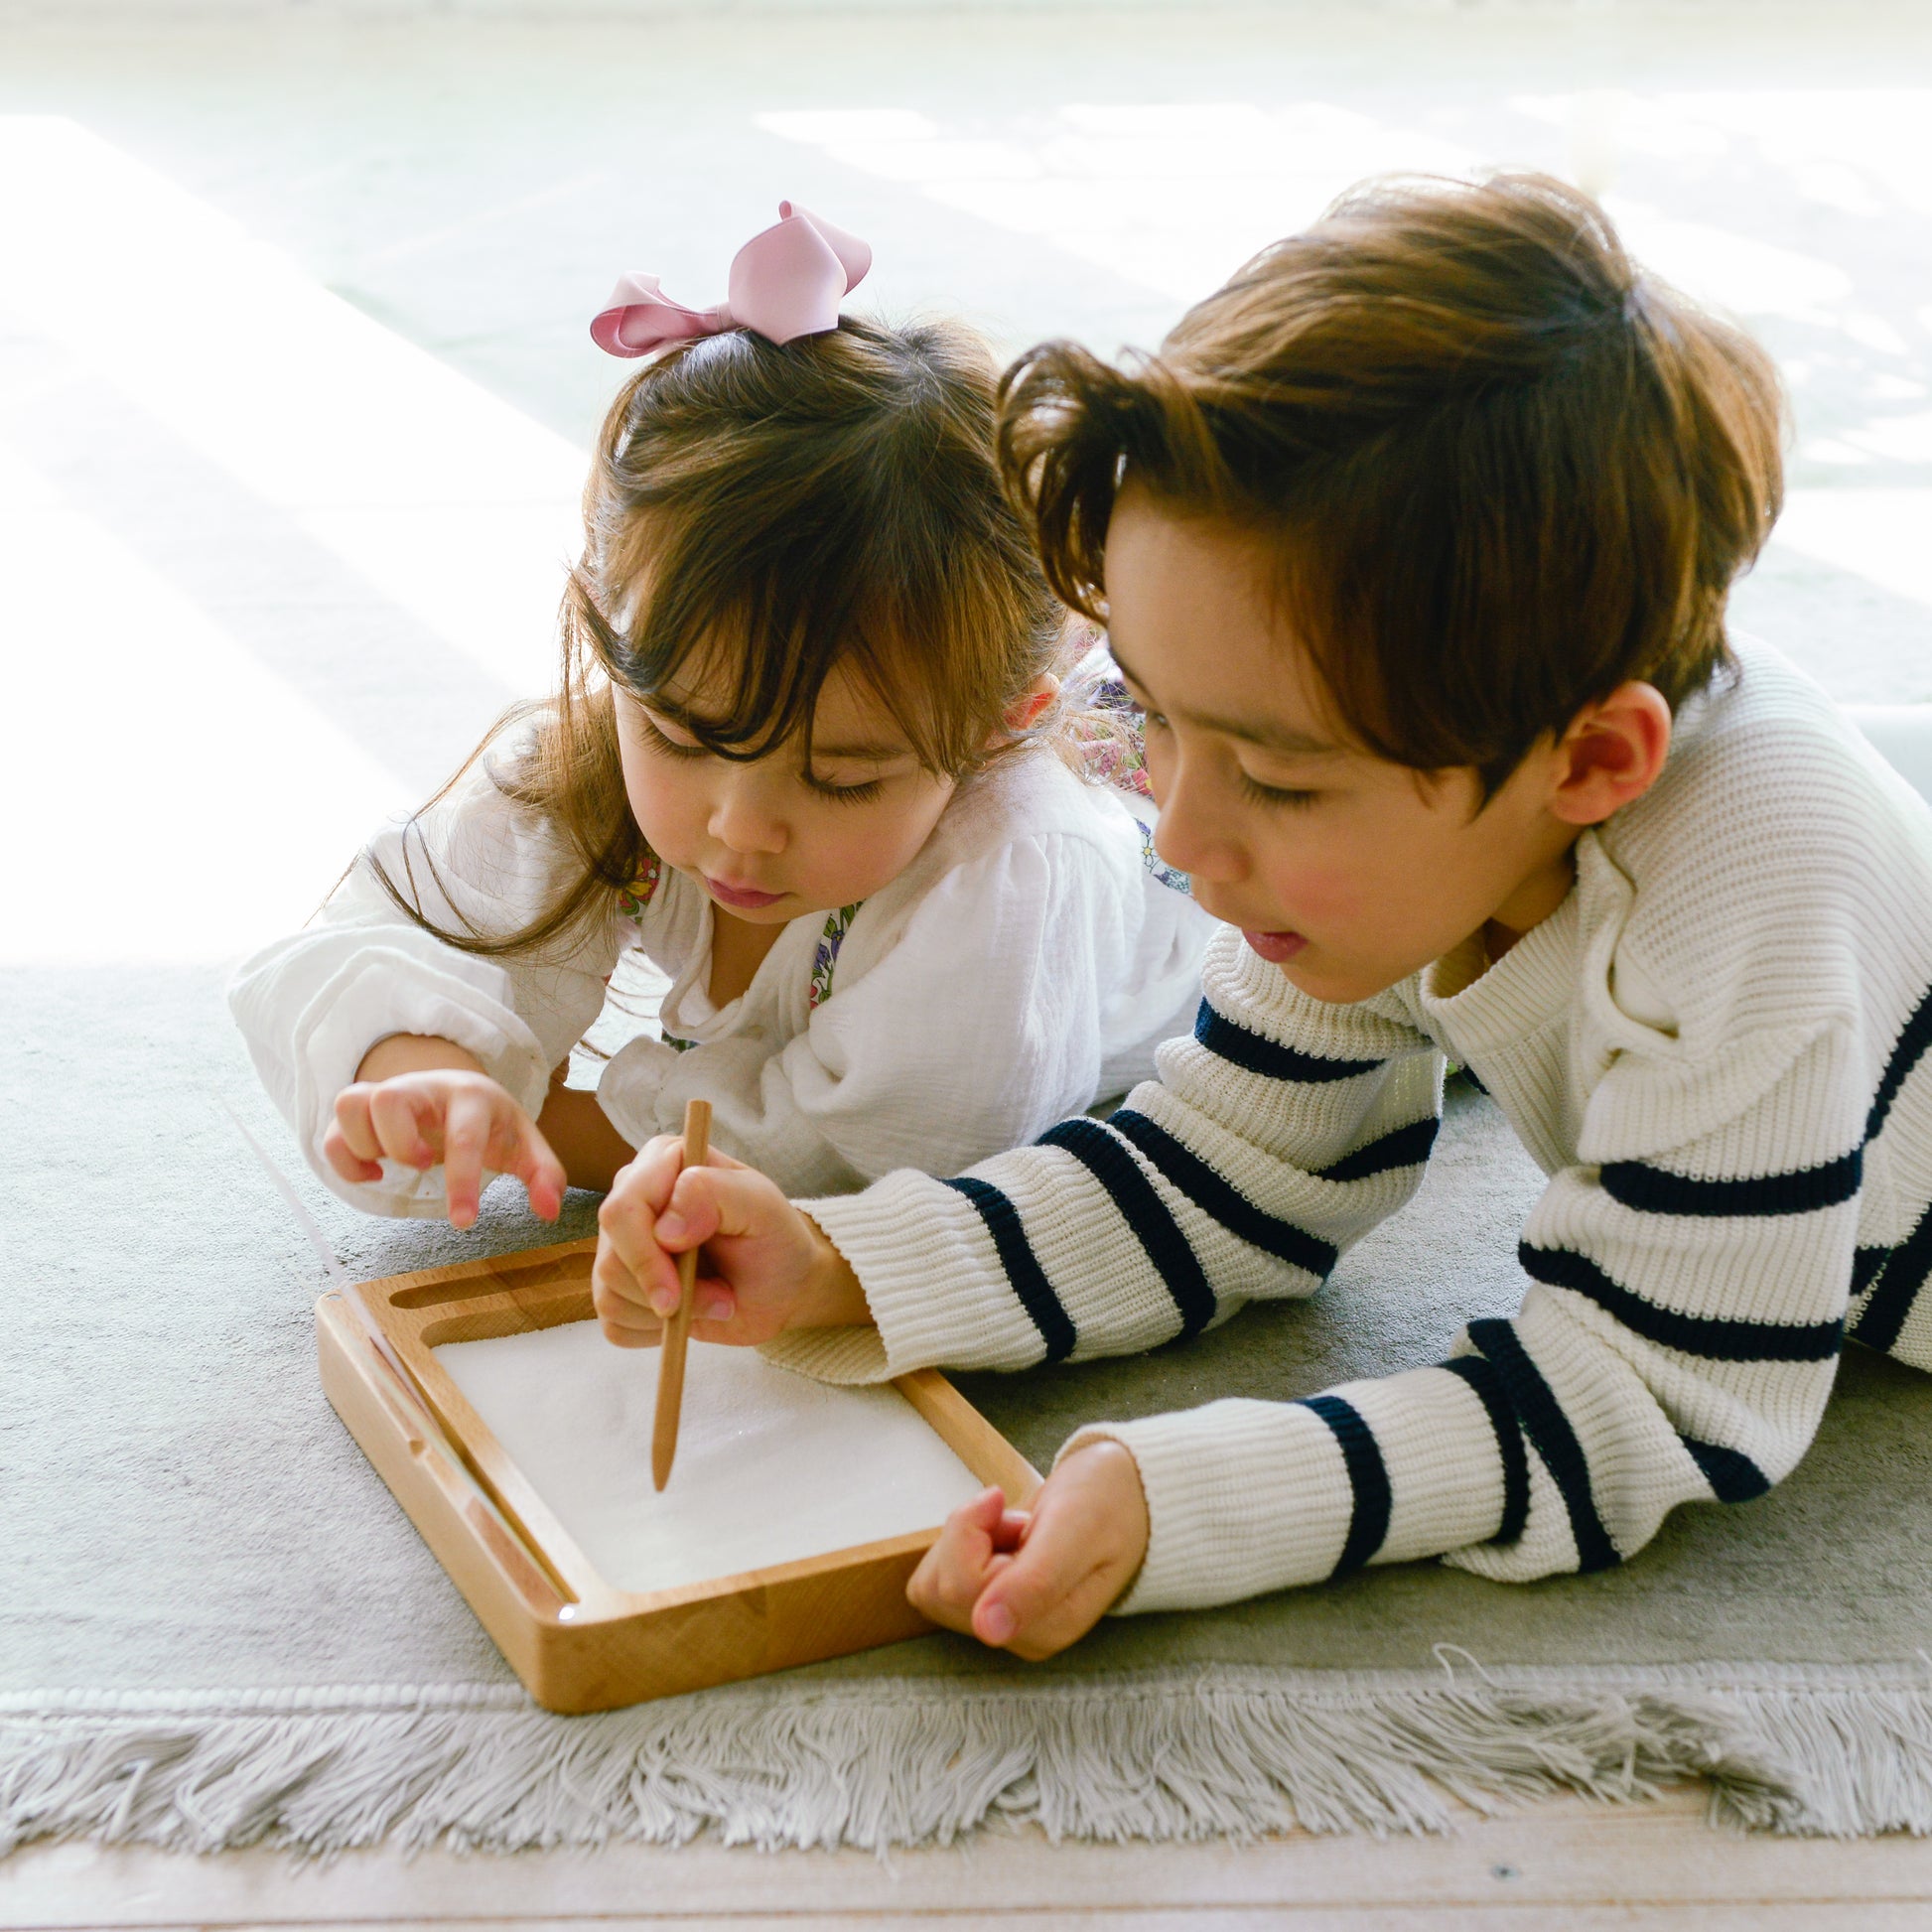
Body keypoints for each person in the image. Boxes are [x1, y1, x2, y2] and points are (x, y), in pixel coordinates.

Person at [588, 173, 1932, 1660]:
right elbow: (1230, 1167)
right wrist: (841, 1262)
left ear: (1590, 762)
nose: (1178, 834)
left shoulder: (1756, 884)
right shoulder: (1388, 846)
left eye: (1279, 782)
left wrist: (1189, 1495)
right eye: (1156, 723)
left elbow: (1658, 1395)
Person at [230, 205, 1210, 1226]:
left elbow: (873, 1156)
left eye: (841, 776)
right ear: (609, 630)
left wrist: (552, 1125)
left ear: (996, 726)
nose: (740, 826)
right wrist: (424, 1065)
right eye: (683, 737)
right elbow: (389, 934)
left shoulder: (1012, 867)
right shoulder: (590, 748)